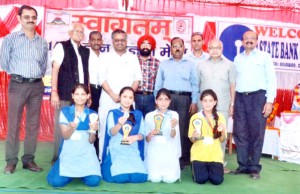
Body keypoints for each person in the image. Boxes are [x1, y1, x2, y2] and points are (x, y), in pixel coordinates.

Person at [0, 5, 48, 174]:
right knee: (13, 125)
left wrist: (35, 77)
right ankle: (11, 161)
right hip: (18, 85)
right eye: (26, 16)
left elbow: (43, 66)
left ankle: (28, 160)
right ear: (19, 19)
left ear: (36, 19)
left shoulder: (42, 42)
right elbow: (4, 63)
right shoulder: (10, 39)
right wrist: (20, 75)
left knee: (33, 126)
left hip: (36, 85)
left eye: (33, 17)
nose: (30, 19)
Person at [231, 30, 277, 180]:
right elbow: (234, 81)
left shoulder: (265, 57)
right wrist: (232, 102)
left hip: (258, 98)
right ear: (242, 41)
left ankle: (254, 167)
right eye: (246, 38)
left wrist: (269, 101)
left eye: (252, 38)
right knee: (240, 132)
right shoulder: (237, 59)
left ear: (257, 41)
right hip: (240, 98)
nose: (249, 40)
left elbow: (271, 80)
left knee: (257, 133)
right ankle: (243, 165)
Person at [154, 37, 199, 169]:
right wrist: (157, 101)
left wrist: (194, 101)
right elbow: (158, 84)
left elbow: (195, 84)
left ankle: (181, 159)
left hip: (184, 99)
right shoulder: (164, 64)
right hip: (167, 99)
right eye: (174, 46)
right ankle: (166, 156)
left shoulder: (191, 64)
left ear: (184, 48)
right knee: (166, 126)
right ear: (171, 48)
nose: (177, 48)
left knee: (182, 128)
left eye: (180, 45)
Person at [98, 29, 142, 159]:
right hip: (108, 98)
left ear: (126, 41)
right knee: (105, 128)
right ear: (112, 41)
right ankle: (103, 159)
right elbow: (101, 79)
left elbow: (137, 79)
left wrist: (127, 97)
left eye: (122, 40)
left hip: (127, 101)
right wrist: (113, 95)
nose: (119, 43)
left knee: (127, 128)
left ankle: (123, 159)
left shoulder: (133, 57)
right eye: (116, 40)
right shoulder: (104, 57)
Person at [47, 84, 101, 187]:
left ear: (88, 96)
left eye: (83, 94)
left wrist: (93, 130)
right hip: (69, 153)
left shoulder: (93, 114)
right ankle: (70, 172)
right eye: (77, 94)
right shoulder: (65, 112)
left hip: (86, 154)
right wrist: (71, 128)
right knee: (56, 182)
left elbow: (91, 141)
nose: (80, 97)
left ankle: (80, 173)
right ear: (72, 96)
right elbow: (66, 136)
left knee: (94, 182)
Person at [50, 23, 90, 165]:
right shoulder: (61, 46)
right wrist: (54, 92)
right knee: (62, 126)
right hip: (64, 94)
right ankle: (58, 158)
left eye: (81, 32)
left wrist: (88, 94)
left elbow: (86, 74)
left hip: (81, 97)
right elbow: (55, 69)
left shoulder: (85, 51)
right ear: (69, 32)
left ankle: (76, 157)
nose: (79, 34)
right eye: (76, 31)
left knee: (80, 125)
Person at [197, 39, 236, 173]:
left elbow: (232, 85)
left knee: (220, 135)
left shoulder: (230, 65)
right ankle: (203, 163)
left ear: (222, 49)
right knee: (203, 133)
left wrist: (232, 104)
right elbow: (196, 86)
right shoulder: (200, 65)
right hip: (203, 106)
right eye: (212, 47)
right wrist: (196, 104)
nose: (214, 50)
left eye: (217, 48)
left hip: (222, 105)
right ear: (207, 49)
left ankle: (219, 164)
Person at [101, 87, 147, 183]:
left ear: (133, 99)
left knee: (139, 178)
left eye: (130, 97)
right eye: (125, 96)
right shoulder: (113, 113)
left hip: (132, 149)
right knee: (120, 178)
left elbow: (142, 134)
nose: (127, 100)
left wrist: (135, 137)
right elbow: (111, 133)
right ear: (120, 98)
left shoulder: (138, 114)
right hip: (117, 148)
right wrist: (119, 124)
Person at [188, 89, 227, 185]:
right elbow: (192, 140)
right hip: (199, 155)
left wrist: (222, 132)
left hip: (215, 156)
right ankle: (198, 168)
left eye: (210, 100)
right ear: (201, 102)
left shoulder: (220, 117)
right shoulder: (195, 117)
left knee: (217, 181)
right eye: (205, 100)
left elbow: (222, 140)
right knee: (200, 180)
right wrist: (194, 136)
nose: (207, 103)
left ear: (215, 102)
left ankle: (211, 169)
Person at [144, 88, 181, 183]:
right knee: (154, 179)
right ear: (156, 101)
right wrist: (150, 134)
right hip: (154, 152)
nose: (163, 102)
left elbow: (173, 136)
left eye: (166, 99)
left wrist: (173, 127)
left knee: (170, 179)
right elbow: (147, 139)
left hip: (169, 152)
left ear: (170, 101)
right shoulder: (149, 116)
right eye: (160, 99)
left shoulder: (174, 115)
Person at [135, 34, 160, 117]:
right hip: (135, 97)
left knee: (150, 122)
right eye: (143, 43)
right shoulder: (133, 60)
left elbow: (158, 83)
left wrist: (157, 99)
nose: (145, 46)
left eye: (148, 44)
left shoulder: (157, 63)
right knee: (135, 121)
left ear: (152, 47)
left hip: (150, 98)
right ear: (139, 46)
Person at [88, 31, 103, 158]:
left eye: (98, 40)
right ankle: (89, 151)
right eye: (93, 39)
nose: (96, 42)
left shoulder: (105, 57)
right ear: (89, 41)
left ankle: (98, 152)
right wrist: (88, 94)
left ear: (102, 41)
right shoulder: (86, 55)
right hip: (90, 90)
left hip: (102, 91)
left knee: (100, 120)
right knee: (90, 120)